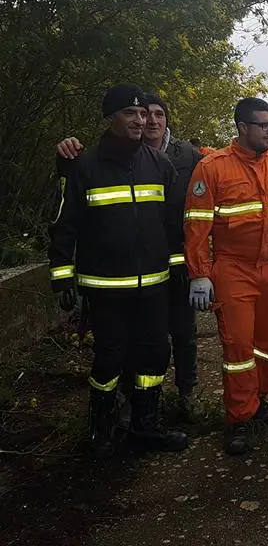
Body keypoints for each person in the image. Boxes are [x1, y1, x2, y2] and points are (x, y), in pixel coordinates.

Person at [48, 84, 188, 458]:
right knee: (109, 358)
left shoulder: (160, 165)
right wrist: (62, 275)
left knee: (156, 354)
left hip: (155, 285)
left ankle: (146, 423)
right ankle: (102, 427)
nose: (141, 121)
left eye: (144, 114)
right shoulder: (85, 165)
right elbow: (65, 224)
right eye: (131, 114)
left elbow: (173, 225)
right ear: (111, 118)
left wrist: (178, 266)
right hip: (106, 286)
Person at [183, 97, 268, 455]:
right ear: (242, 128)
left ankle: (259, 401)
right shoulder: (212, 168)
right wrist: (199, 274)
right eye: (263, 125)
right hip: (232, 268)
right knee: (238, 345)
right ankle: (239, 418)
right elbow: (197, 226)